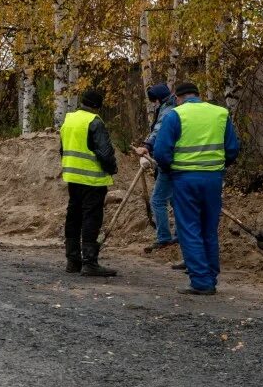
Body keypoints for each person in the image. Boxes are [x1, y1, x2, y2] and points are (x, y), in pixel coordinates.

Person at [151, 82, 241, 296]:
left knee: (189, 228)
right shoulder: (220, 113)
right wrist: (216, 167)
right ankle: (210, 275)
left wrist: (170, 169)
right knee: (208, 228)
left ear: (178, 97)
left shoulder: (175, 115)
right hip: (213, 179)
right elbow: (233, 149)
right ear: (199, 96)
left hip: (184, 178)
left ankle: (201, 281)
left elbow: (161, 152)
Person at [59, 88, 119, 277]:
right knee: (91, 218)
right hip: (92, 180)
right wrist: (112, 168)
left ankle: (72, 261)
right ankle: (90, 262)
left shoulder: (69, 120)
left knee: (73, 216)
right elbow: (105, 153)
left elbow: (62, 149)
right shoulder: (94, 122)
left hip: (73, 177)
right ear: (96, 106)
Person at [133, 83, 178, 250]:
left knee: (157, 200)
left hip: (168, 162)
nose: (154, 104)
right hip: (176, 162)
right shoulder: (173, 107)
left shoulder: (167, 111)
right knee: (175, 200)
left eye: (154, 101)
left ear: (159, 99)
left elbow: (158, 130)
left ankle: (164, 237)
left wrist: (147, 145)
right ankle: (179, 236)